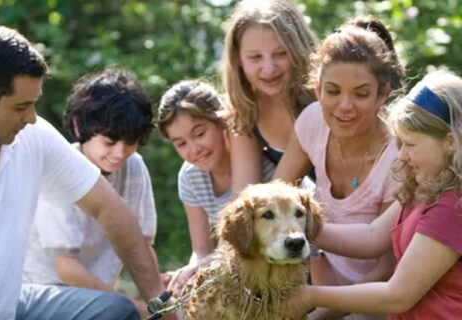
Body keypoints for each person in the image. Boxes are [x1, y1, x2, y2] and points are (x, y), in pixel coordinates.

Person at [0, 26, 176, 320]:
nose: (32, 118)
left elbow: (110, 209)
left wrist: (161, 305)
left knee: (116, 312)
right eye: (21, 107)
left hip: (15, 304)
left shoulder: (33, 136)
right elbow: (66, 267)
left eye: (34, 105)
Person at [294, 69, 462, 320]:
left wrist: (306, 295)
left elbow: (397, 296)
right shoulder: (425, 187)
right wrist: (297, 228)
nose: (402, 155)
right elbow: (372, 236)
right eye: (400, 143)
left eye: (411, 144)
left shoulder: (452, 207)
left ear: (450, 142)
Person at [273, 17, 405, 320]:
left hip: (379, 299)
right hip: (325, 281)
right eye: (333, 91)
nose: (345, 106)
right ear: (318, 89)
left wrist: (318, 315)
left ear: (382, 96)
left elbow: (387, 268)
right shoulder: (312, 120)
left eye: (360, 94)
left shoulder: (400, 157)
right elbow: (274, 196)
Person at [157, 80, 314, 294]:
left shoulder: (265, 166)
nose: (194, 150)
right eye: (181, 143)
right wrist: (191, 272)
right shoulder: (189, 177)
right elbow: (201, 250)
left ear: (223, 123)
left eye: (200, 134)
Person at [22, 67, 157, 315]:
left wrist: (161, 302)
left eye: (130, 143)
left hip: (98, 298)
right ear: (78, 126)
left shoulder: (134, 166)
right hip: (45, 293)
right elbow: (67, 269)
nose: (119, 153)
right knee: (121, 311)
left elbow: (142, 249)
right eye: (110, 142)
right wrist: (137, 308)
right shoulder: (61, 167)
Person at [222, 0, 317, 198]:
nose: (269, 68)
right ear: (238, 59)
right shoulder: (245, 113)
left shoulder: (323, 95)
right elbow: (244, 195)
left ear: (299, 49)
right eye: (255, 57)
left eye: (280, 53)